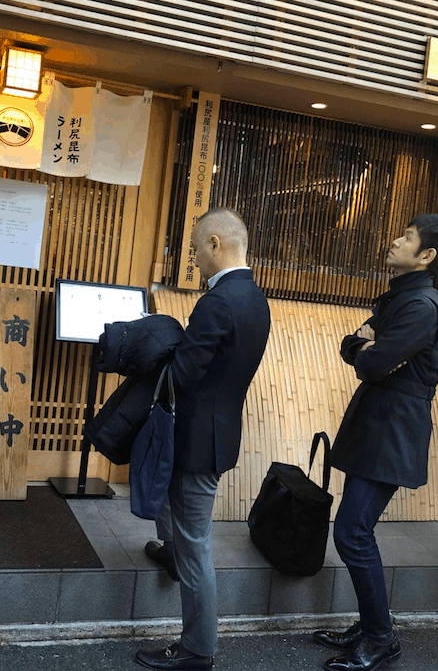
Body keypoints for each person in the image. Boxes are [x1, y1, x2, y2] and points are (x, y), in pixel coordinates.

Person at [312, 214, 438, 671]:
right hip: (379, 423)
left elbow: (373, 363)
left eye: (407, 238)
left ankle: (381, 637)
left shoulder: (420, 306)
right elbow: (352, 346)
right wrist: (366, 346)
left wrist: (369, 349)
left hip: (392, 430)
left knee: (352, 533)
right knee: (355, 530)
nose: (395, 240)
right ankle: (371, 625)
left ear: (427, 256)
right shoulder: (402, 296)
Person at [135, 208, 271, 671]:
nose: (193, 257)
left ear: (216, 243)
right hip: (219, 431)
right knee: (181, 526)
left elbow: (186, 372)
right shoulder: (254, 297)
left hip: (195, 438)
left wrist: (153, 349)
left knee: (195, 542)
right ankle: (169, 553)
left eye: (195, 247)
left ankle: (198, 647)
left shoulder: (217, 301)